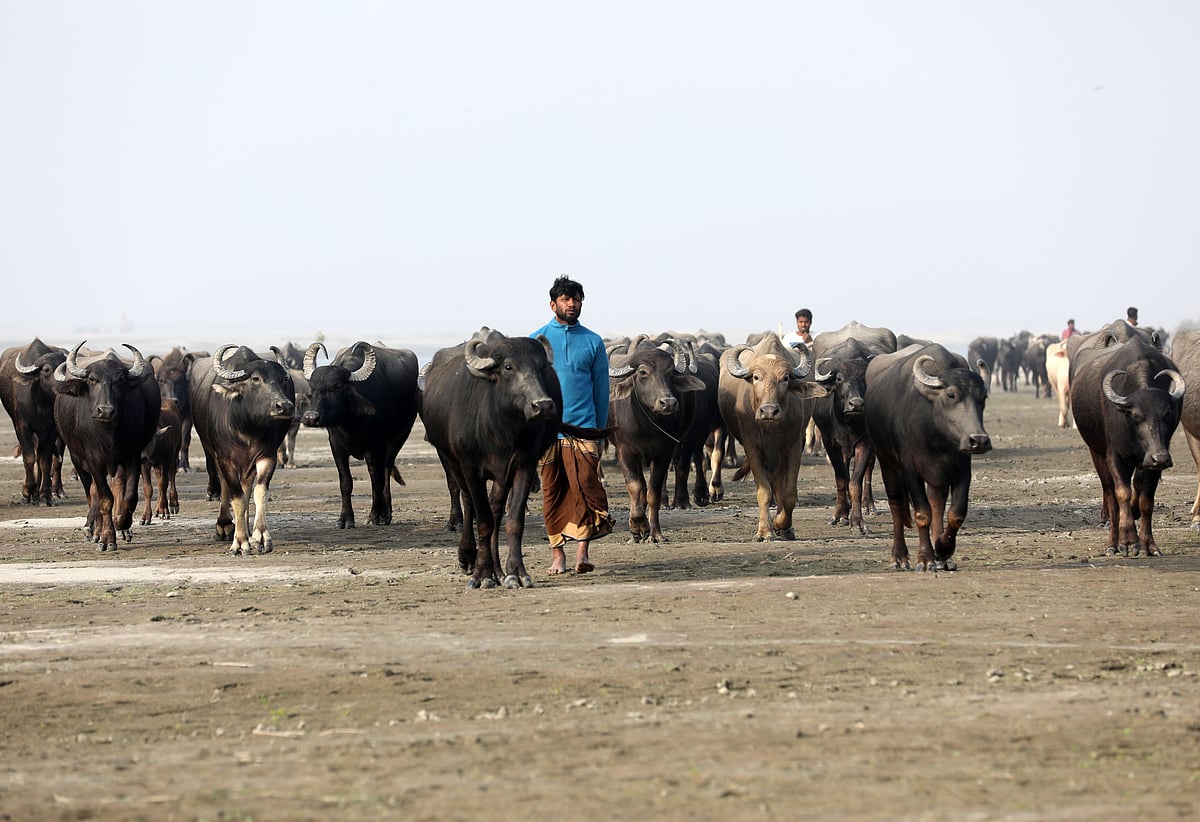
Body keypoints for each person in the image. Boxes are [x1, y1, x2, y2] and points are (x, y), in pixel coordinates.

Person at [532, 275, 613, 575]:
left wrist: (599, 434)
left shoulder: (593, 341)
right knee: (552, 493)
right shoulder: (535, 341)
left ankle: (582, 554)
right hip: (546, 432)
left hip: (584, 429)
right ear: (553, 304)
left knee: (586, 490)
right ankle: (557, 555)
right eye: (566, 299)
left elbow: (601, 392)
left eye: (576, 299)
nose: (572, 304)